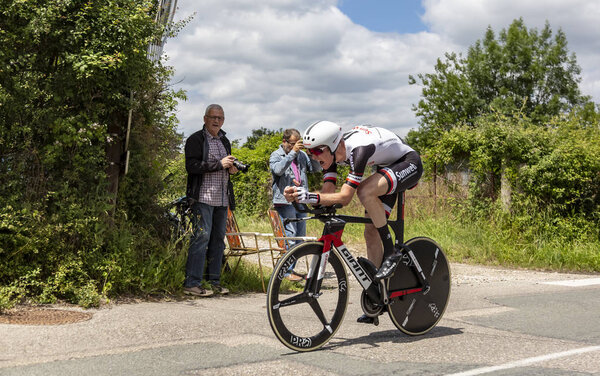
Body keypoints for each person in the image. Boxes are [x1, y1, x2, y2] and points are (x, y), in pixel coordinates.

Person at [284, 120, 423, 322]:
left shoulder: (358, 150)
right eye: (311, 152)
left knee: (364, 191)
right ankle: (376, 298)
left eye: (317, 151)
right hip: (386, 166)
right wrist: (300, 195)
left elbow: (345, 198)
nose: (314, 156)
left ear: (331, 146)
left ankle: (391, 251)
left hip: (408, 162)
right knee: (370, 231)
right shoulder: (330, 156)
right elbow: (328, 194)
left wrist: (309, 196)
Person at [183, 104, 237, 297]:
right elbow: (192, 166)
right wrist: (219, 164)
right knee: (201, 239)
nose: (216, 121)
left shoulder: (225, 141)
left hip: (222, 199)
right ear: (205, 118)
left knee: (218, 241)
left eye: (220, 118)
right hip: (203, 198)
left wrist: (231, 169)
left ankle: (214, 282)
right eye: (213, 117)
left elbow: (224, 167)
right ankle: (192, 283)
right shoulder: (195, 139)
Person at [270, 128, 321, 281]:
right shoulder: (276, 155)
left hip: (301, 199)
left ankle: (289, 270)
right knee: (290, 237)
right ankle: (286, 273)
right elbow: (278, 170)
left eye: (296, 144)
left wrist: (312, 152)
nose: (294, 147)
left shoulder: (302, 155)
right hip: (284, 201)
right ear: (284, 142)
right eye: (291, 144)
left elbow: (317, 169)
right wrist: (292, 153)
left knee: (300, 238)